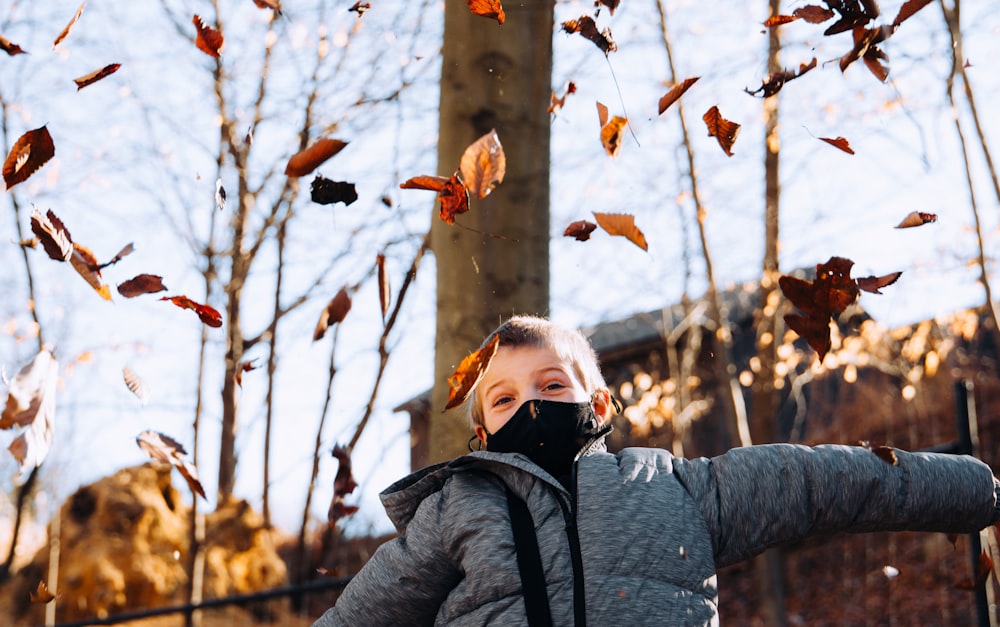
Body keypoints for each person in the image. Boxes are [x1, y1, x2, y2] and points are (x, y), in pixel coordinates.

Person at [314, 315, 1000, 626]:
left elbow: (823, 481)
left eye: (552, 384)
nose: (530, 401)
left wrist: (979, 487)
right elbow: (359, 615)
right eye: (504, 396)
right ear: (481, 428)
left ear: (599, 402)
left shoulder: (674, 486)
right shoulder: (454, 508)